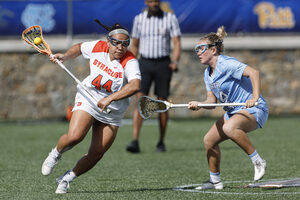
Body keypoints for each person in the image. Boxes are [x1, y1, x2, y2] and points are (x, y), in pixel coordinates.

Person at [41, 21, 141, 194]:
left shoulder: (129, 60)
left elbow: (134, 85)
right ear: (109, 42)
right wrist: (65, 56)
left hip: (112, 111)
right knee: (75, 137)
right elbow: (79, 48)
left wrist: (110, 98)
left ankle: (67, 178)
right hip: (88, 98)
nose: (120, 47)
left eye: (125, 44)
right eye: (116, 43)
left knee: (96, 153)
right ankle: (55, 153)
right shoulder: (98, 47)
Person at [188, 26, 269, 190]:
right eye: (196, 49)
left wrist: (254, 98)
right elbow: (212, 102)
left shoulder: (226, 63)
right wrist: (201, 105)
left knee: (230, 127)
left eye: (201, 48)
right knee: (209, 140)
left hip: (255, 108)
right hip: (234, 112)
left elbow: (254, 73)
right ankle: (215, 181)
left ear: (213, 50)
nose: (198, 52)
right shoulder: (207, 74)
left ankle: (258, 161)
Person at [126, 0, 181, 153]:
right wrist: (130, 64)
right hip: (144, 63)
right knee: (140, 99)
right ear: (146, 2)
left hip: (163, 63)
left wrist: (175, 61)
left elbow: (176, 42)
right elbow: (135, 44)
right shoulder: (139, 19)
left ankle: (161, 141)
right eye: (151, 1)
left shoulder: (170, 18)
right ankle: (135, 140)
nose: (154, 4)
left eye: (156, 1)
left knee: (162, 102)